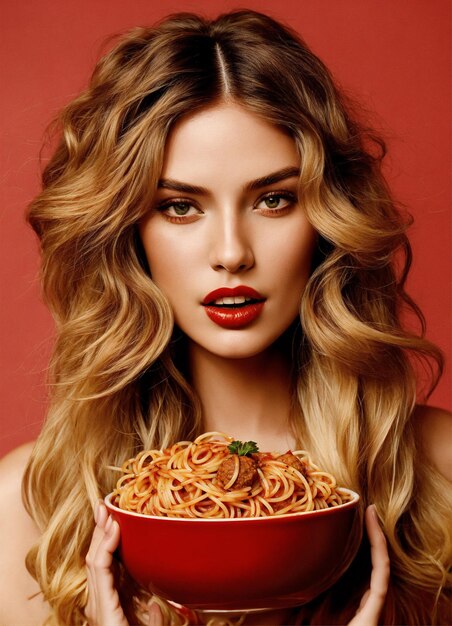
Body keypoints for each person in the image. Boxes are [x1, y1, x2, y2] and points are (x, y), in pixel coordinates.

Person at [0, 9, 450, 626]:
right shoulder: (29, 505)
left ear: (326, 219)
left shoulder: (438, 470)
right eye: (181, 207)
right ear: (128, 233)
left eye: (274, 199)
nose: (233, 252)